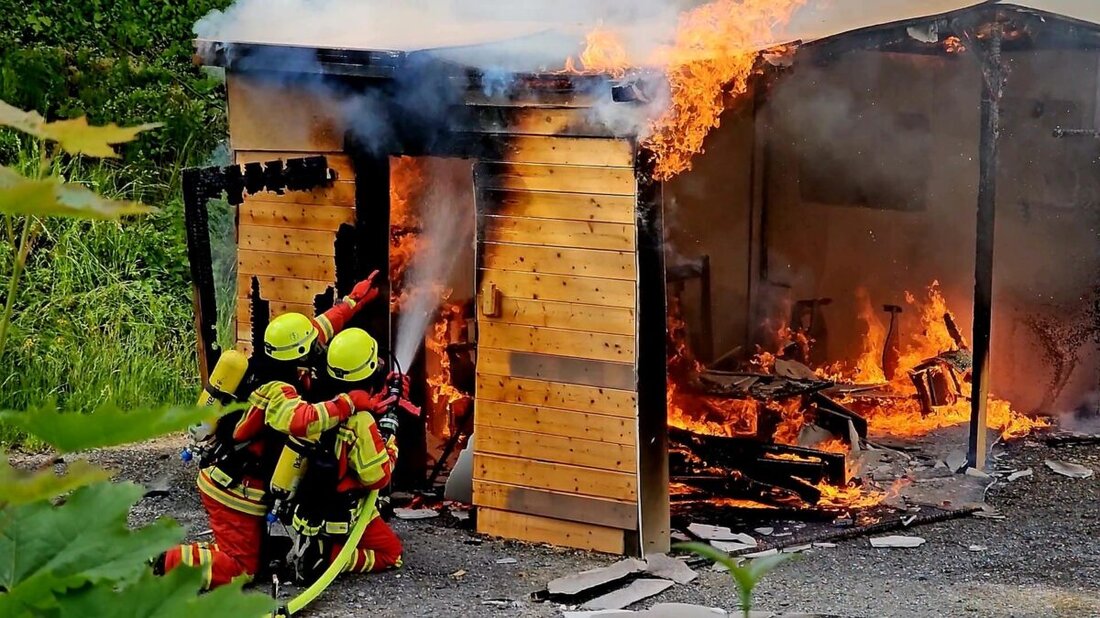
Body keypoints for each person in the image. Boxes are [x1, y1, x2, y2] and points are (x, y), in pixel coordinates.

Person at [278, 327, 415, 582]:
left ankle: (313, 547)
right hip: (343, 513)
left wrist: (381, 400)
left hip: (308, 510)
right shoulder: (361, 422)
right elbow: (377, 478)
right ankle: (330, 559)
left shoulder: (322, 403)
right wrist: (390, 441)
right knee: (391, 553)